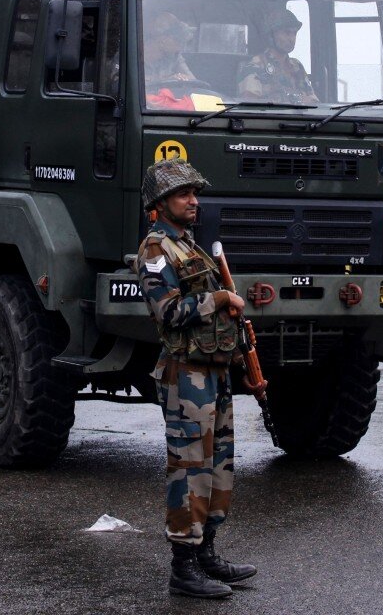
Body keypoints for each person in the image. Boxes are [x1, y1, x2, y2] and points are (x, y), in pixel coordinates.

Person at [135, 159, 257, 599]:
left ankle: (207, 554)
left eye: (194, 193)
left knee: (218, 463)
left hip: (213, 372)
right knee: (189, 468)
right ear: (162, 201)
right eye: (184, 194)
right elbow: (168, 311)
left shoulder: (189, 245)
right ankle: (183, 569)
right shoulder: (155, 250)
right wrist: (219, 297)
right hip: (184, 375)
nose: (194, 201)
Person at [235, 9, 319, 104]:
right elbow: (249, 105)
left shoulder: (297, 66)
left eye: (294, 33)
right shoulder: (256, 65)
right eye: (287, 33)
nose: (292, 39)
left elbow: (313, 101)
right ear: (271, 35)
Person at [145, 12, 195, 83]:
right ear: (163, 38)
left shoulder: (175, 56)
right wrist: (168, 80)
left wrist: (183, 77)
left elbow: (193, 80)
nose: (180, 47)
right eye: (178, 41)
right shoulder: (133, 56)